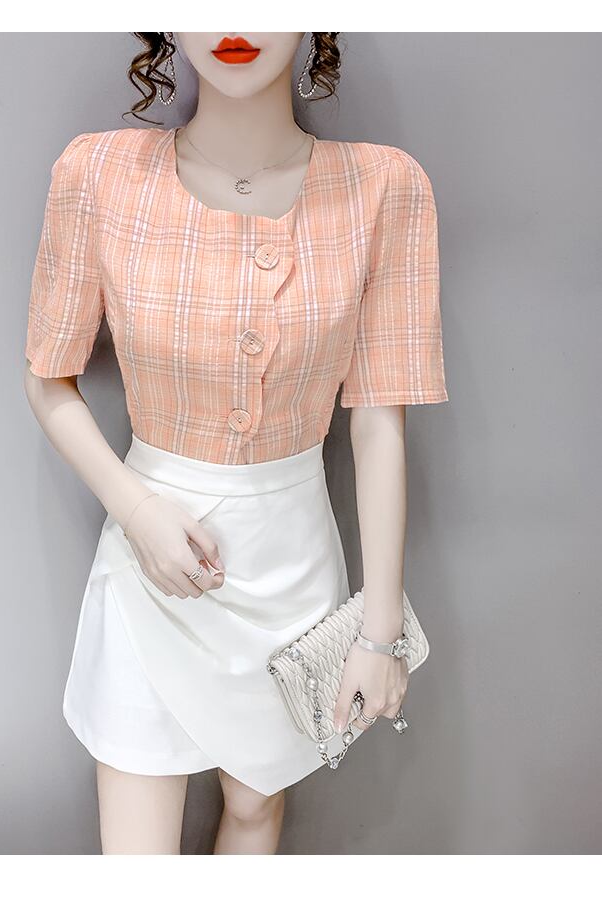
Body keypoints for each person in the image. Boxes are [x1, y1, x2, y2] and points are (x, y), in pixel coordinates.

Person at [23, 32, 448, 855]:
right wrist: (137, 511)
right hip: (150, 560)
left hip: (294, 569)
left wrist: (380, 632)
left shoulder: (384, 189)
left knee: (256, 809)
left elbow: (377, 421)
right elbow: (47, 379)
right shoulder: (98, 175)